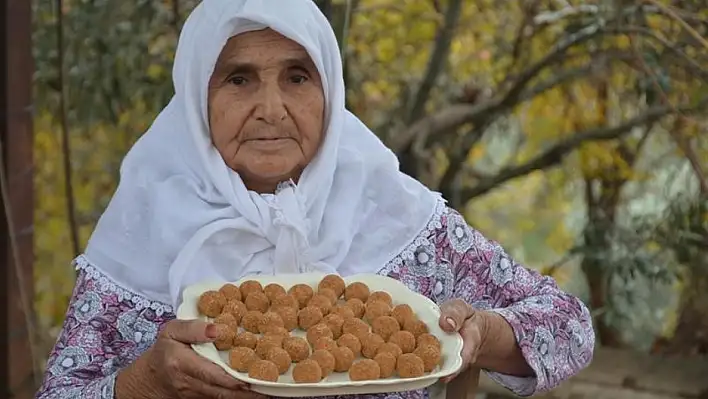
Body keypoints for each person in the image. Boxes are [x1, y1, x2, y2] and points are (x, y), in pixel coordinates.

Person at [36, 0, 594, 398]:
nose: (272, 108)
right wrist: (147, 384)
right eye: (238, 80)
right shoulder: (146, 224)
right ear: (195, 98)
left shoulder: (397, 216)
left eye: (297, 77)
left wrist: (482, 334)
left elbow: (569, 327)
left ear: (329, 91)